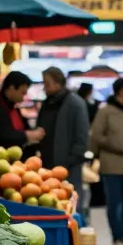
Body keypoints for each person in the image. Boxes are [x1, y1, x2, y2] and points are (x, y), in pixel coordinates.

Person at [36, 67, 90, 217]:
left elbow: (82, 137)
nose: (44, 87)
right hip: (47, 167)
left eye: (47, 83)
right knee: (50, 206)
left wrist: (69, 161)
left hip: (68, 168)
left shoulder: (75, 104)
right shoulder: (47, 103)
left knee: (71, 208)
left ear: (58, 83)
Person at [90, 77, 123, 245]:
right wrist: (115, 144)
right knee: (114, 202)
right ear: (120, 92)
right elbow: (96, 136)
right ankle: (117, 237)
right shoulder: (106, 111)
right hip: (111, 164)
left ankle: (121, 234)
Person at [0, 71, 44, 153]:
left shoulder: (14, 108)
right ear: (12, 88)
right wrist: (29, 135)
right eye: (22, 93)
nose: (23, 98)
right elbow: (3, 136)